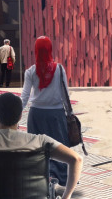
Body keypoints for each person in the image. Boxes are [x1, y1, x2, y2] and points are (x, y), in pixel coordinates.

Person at [21, 36, 73, 185]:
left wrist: (16, 115)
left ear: (36, 50)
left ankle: (40, 178)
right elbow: (65, 94)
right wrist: (69, 114)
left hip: (36, 114)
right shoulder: (59, 69)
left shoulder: (30, 71)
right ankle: (60, 178)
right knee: (60, 147)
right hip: (56, 114)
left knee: (37, 148)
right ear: (50, 49)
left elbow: (25, 96)